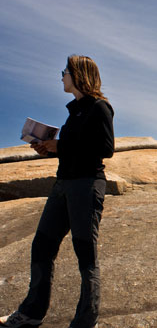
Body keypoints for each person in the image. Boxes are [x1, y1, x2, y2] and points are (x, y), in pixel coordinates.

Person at [1, 55, 114, 328]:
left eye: (64, 71)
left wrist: (60, 147)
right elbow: (74, 149)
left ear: (77, 74)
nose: (61, 76)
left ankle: (85, 322)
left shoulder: (100, 107)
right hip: (63, 184)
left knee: (85, 254)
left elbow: (105, 149)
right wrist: (48, 148)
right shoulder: (73, 111)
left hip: (86, 186)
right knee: (42, 246)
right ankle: (31, 313)